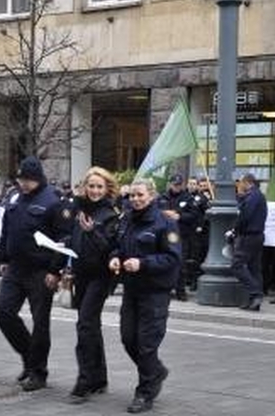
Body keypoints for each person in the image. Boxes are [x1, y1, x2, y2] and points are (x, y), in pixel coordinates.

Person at [108, 177, 181, 414]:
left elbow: (172, 258)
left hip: (155, 292)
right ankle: (156, 371)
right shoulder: (127, 219)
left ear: (151, 196)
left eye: (140, 195)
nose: (136, 200)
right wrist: (115, 257)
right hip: (131, 290)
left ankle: (145, 392)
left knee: (146, 345)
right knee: (129, 339)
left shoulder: (165, 223)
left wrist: (143, 263)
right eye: (132, 195)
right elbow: (118, 246)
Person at [0, 157, 66, 392]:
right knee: (4, 313)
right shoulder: (14, 197)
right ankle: (28, 356)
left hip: (41, 271)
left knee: (40, 324)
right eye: (21, 179)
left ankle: (38, 372)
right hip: (15, 268)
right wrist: (3, 257)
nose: (23, 184)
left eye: (28, 180)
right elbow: (7, 229)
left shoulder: (53, 201)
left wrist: (55, 271)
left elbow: (62, 240)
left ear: (38, 179)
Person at [63, 167, 119, 404]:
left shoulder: (111, 214)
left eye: (99, 186)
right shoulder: (78, 209)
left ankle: (84, 380)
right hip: (81, 274)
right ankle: (99, 378)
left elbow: (109, 248)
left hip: (100, 275)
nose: (95, 190)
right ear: (85, 187)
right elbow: (71, 240)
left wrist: (92, 230)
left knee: (85, 324)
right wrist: (63, 265)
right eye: (91, 186)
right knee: (91, 325)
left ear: (107, 189)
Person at [157, 174, 203, 301]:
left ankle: (180, 291)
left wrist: (180, 216)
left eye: (178, 185)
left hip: (182, 235)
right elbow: (155, 212)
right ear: (170, 184)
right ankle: (165, 288)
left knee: (181, 264)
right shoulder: (162, 197)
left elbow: (194, 215)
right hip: (164, 235)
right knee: (164, 262)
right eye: (174, 184)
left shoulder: (188, 198)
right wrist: (164, 214)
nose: (176, 187)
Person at [229, 173, 268, 311]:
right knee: (254, 268)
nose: (239, 185)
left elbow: (245, 216)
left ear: (247, 182)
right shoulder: (258, 195)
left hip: (249, 236)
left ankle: (255, 293)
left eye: (241, 182)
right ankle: (254, 301)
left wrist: (235, 230)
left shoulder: (252, 196)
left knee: (237, 265)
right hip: (257, 236)